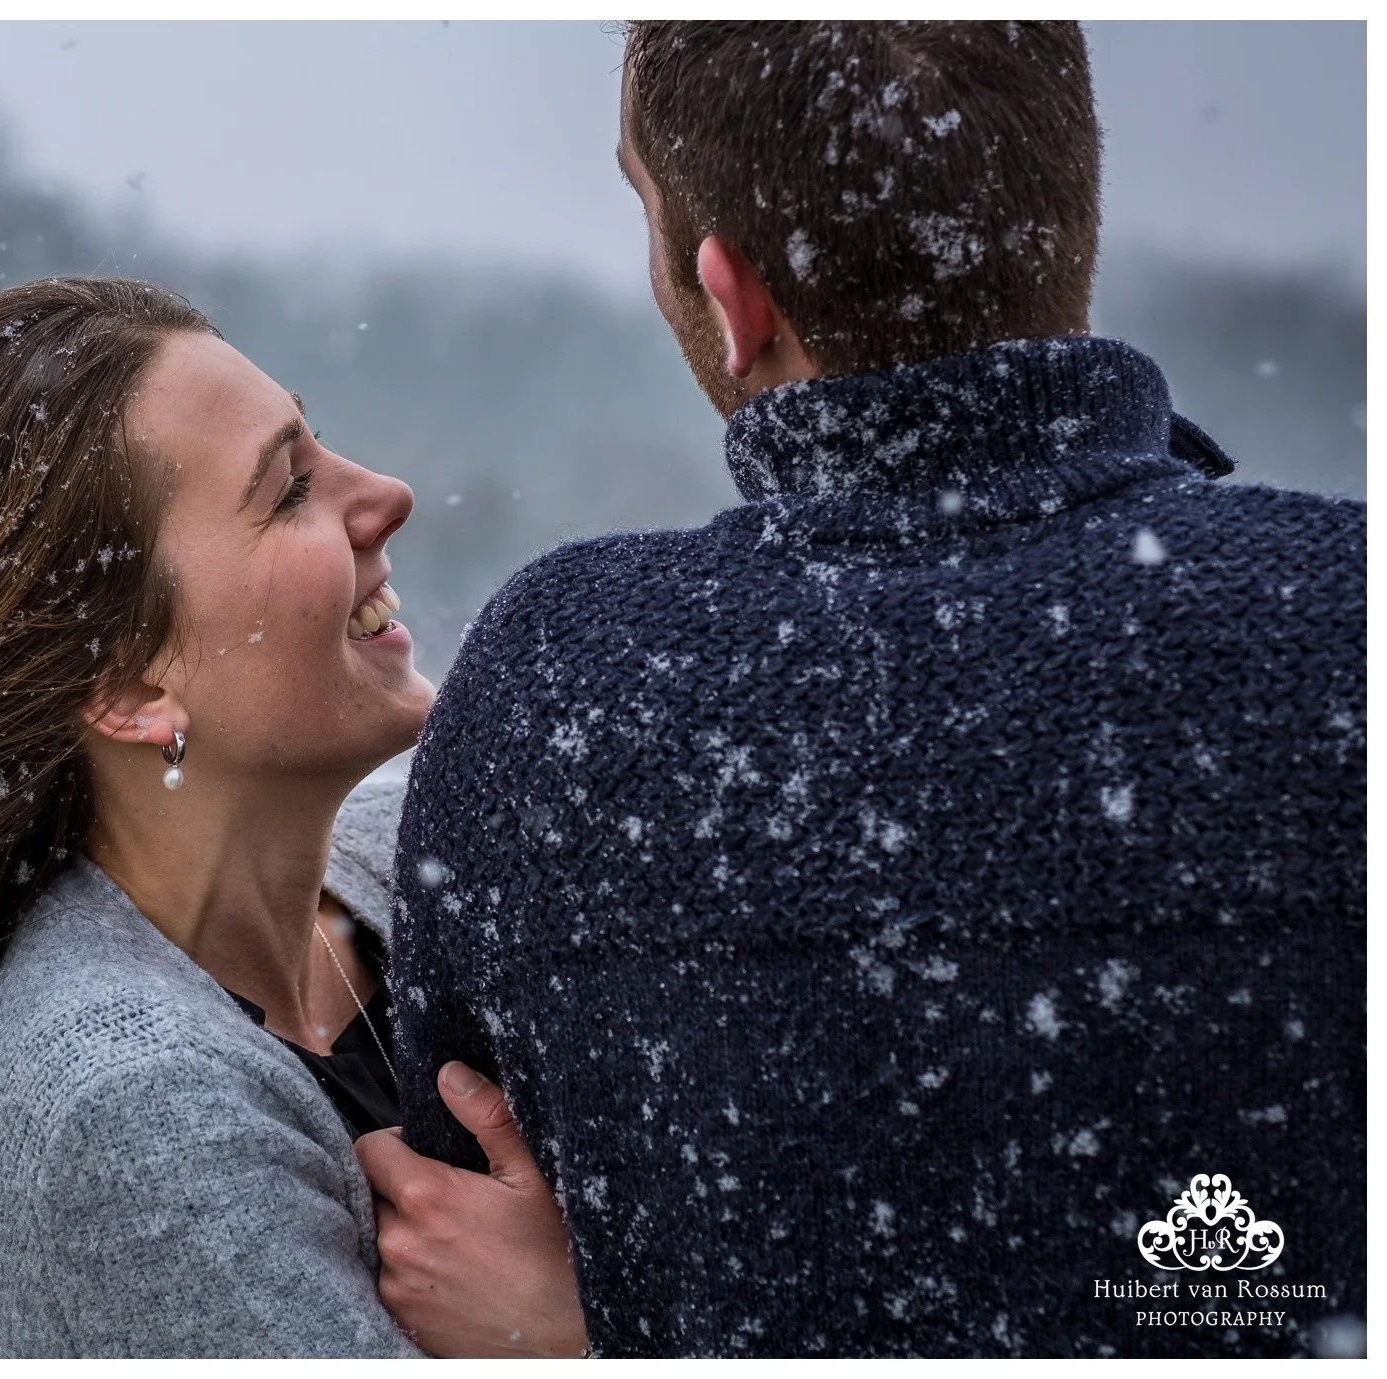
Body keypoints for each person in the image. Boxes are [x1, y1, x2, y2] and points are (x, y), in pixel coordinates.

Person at [367, 21, 1365, 1358]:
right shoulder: (1342, 617)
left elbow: (455, 1189)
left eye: (642, 202)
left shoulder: (561, 678)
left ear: (730, 295)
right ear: (1070, 216)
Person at [0, 277, 519, 1356]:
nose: (386, 493)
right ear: (128, 686)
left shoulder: (419, 871)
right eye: (289, 488)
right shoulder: (128, 1102)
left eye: (320, 441)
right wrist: (567, 1336)